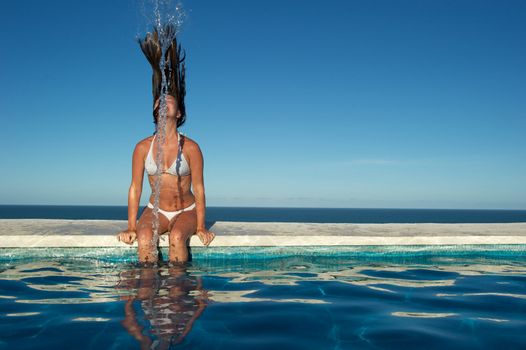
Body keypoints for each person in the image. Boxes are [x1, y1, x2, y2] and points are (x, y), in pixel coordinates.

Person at [117, 24, 215, 263]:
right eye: (160, 100)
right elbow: (135, 189)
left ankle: (178, 294)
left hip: (186, 210)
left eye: (169, 100)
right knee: (143, 236)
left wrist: (201, 226)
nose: (163, 102)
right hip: (155, 210)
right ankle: (148, 290)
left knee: (178, 236)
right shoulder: (142, 148)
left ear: (179, 113)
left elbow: (200, 189)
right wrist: (131, 226)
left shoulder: (191, 147)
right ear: (154, 109)